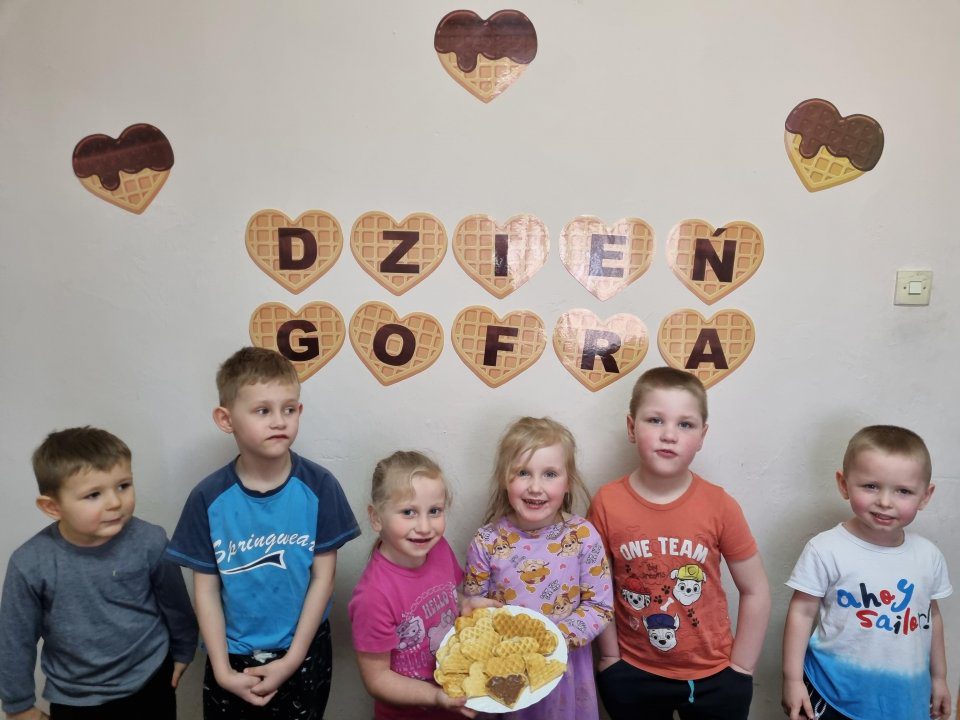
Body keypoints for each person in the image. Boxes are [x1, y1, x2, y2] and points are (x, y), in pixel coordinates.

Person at [165, 347, 360, 719]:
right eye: (262, 411)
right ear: (226, 419)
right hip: (232, 656)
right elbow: (205, 591)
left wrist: (293, 660)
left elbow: (323, 579)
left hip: (304, 652)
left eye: (289, 409)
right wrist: (222, 670)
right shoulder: (207, 498)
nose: (279, 421)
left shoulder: (320, 487)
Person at [589, 367, 770, 720]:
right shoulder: (607, 502)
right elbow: (598, 586)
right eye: (655, 420)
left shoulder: (720, 505)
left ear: (702, 436)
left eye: (685, 424)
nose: (669, 435)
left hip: (714, 675)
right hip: (633, 670)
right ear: (631, 428)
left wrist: (742, 668)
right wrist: (610, 658)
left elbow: (756, 589)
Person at [0, 427, 197, 720]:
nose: (115, 502)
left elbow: (175, 603)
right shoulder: (30, 563)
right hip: (76, 698)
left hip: (151, 679)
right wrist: (18, 706)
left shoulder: (150, 541)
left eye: (123, 486)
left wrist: (184, 649)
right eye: (94, 494)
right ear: (52, 507)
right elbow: (15, 638)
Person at [781, 425, 952, 720]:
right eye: (871, 486)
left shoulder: (928, 556)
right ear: (844, 484)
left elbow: (932, 617)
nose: (885, 501)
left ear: (925, 496)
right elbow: (802, 613)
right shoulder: (826, 549)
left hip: (906, 699)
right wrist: (792, 679)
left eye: (903, 491)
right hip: (832, 694)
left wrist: (939, 678)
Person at [463, 416, 613, 720]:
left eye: (550, 474)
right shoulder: (486, 541)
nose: (535, 487)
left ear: (567, 482)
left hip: (564, 671)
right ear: (505, 479)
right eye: (522, 473)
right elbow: (473, 612)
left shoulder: (583, 536)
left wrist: (554, 639)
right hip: (506, 673)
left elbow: (599, 607)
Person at [349, 450, 485, 719]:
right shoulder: (373, 596)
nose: (424, 527)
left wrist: (467, 603)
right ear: (376, 518)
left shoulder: (439, 548)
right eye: (408, 512)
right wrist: (435, 696)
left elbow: (447, 595)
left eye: (434, 511)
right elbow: (378, 679)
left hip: (456, 703)